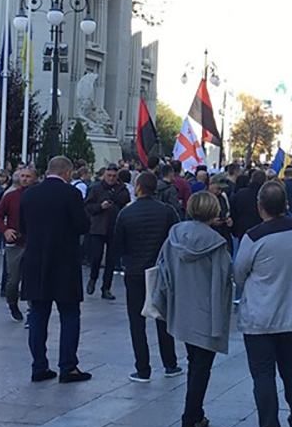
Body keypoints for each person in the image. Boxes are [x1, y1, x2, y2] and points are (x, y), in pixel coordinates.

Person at [234, 180, 292, 427]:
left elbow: (239, 273)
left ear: (260, 207)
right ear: (286, 205)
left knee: (263, 375)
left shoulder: (254, 237)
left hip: (260, 316)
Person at [151, 191, 233, 427]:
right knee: (201, 369)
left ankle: (196, 416)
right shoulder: (217, 244)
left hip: (181, 308)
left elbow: (162, 267)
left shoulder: (174, 235)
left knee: (193, 363)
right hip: (206, 313)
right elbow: (226, 277)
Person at [19, 155, 92, 383]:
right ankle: (68, 366)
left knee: (38, 315)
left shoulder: (29, 193)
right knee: (70, 314)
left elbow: (22, 226)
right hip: (64, 263)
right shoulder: (71, 194)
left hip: (35, 262)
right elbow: (82, 225)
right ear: (67, 173)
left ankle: (39, 366)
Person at [112, 172, 182, 382]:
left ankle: (143, 368)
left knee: (137, 321)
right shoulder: (167, 212)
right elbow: (175, 240)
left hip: (134, 271)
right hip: (160, 271)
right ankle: (170, 364)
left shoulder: (126, 214)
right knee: (163, 318)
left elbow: (118, 245)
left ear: (139, 187)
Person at [0, 167, 35, 321]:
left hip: (33, 242)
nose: (25, 179)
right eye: (22, 176)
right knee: (14, 279)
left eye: (28, 176)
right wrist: (5, 230)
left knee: (32, 277)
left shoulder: (38, 195)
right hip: (15, 243)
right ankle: (12, 303)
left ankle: (33, 309)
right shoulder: (10, 196)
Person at [84, 165, 130, 299]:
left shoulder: (121, 189)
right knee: (96, 257)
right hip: (98, 227)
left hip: (115, 228)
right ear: (104, 175)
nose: (111, 178)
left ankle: (106, 288)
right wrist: (100, 206)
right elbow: (87, 206)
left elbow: (125, 201)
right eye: (109, 175)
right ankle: (93, 278)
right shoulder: (96, 188)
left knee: (111, 260)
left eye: (114, 176)